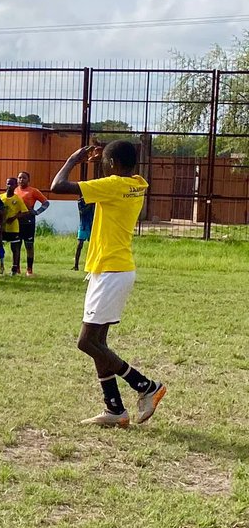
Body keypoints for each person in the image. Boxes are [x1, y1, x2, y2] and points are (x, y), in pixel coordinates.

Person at [51, 139, 166, 426]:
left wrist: (73, 160)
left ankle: (145, 386)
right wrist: (107, 154)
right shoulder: (137, 183)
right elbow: (118, 167)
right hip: (113, 269)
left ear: (113, 165)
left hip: (111, 271)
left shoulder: (114, 185)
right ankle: (115, 410)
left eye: (104, 162)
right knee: (98, 342)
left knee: (86, 342)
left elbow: (58, 186)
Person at [13, 171, 50, 276]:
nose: (21, 180)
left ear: (28, 180)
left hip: (29, 222)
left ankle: (29, 270)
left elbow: (46, 203)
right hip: (17, 222)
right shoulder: (15, 191)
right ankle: (17, 268)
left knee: (29, 246)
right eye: (19, 178)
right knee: (16, 246)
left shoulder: (33, 191)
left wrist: (37, 212)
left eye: (24, 178)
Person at [0, 177, 30, 276]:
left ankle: (14, 268)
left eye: (12, 184)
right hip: (2, 227)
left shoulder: (17, 199)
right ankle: (1, 266)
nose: (9, 186)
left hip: (13, 227)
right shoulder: (0, 197)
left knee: (15, 248)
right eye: (8, 184)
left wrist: (14, 217)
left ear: (16, 186)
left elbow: (25, 212)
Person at [75, 197, 95, 271]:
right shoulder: (81, 201)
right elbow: (82, 212)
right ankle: (76, 265)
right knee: (79, 245)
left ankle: (92, 264)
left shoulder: (94, 202)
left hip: (91, 225)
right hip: (83, 225)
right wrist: (90, 204)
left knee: (92, 246)